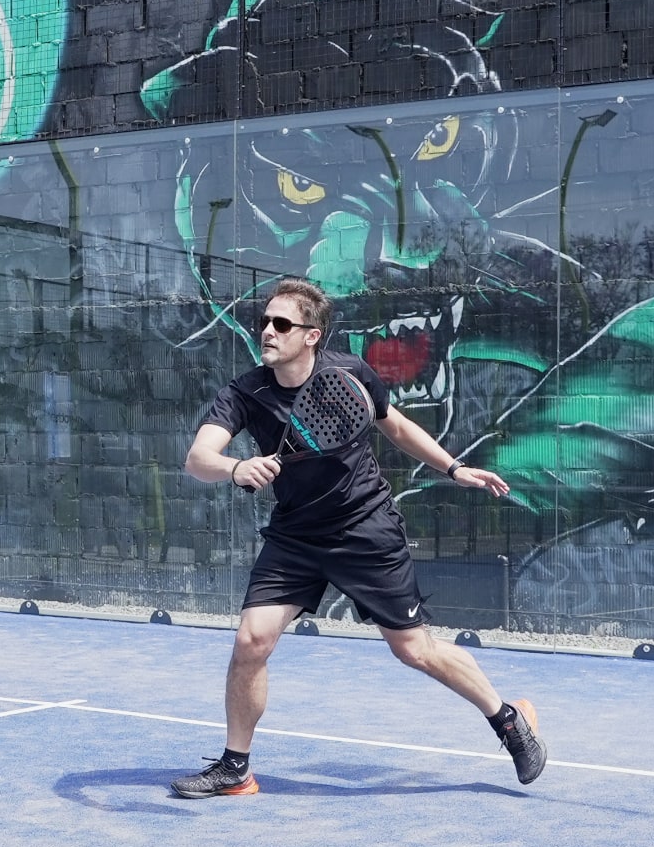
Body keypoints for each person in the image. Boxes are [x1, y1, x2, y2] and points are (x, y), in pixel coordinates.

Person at [172, 278, 544, 798]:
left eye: (282, 324)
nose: (268, 331)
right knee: (251, 640)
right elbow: (198, 458)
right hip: (295, 536)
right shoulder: (245, 391)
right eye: (264, 322)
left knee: (413, 650)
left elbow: (395, 426)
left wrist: (454, 468)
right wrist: (235, 468)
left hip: (365, 530)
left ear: (312, 335)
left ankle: (507, 719)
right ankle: (236, 767)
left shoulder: (351, 374)